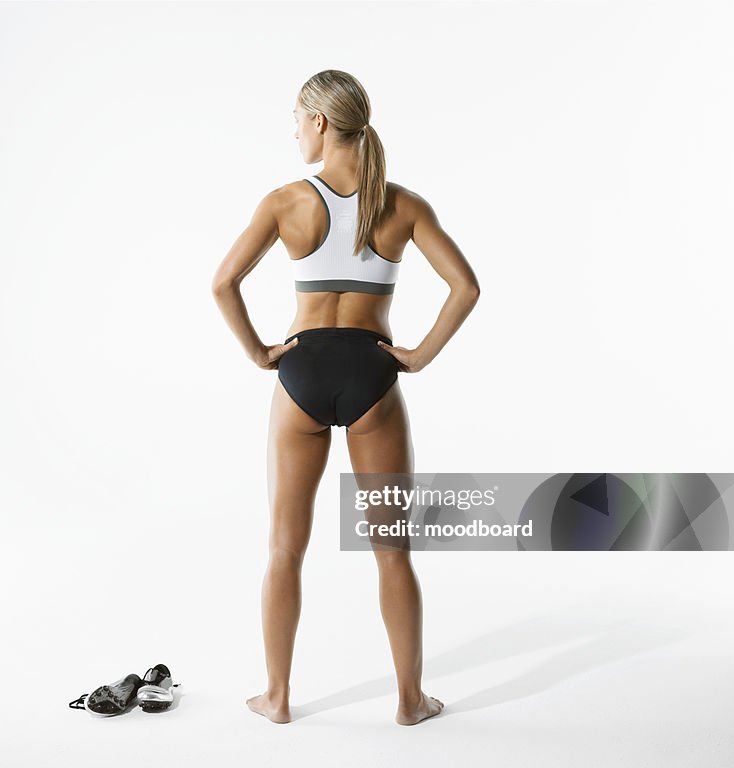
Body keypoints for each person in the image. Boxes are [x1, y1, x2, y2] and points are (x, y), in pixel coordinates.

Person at [211, 69, 480, 726]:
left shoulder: (284, 202)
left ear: (321, 123)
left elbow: (223, 283)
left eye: (297, 119)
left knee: (284, 547)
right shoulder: (403, 205)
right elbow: (465, 287)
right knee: (392, 551)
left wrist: (259, 353)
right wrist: (415, 355)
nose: (295, 131)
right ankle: (410, 701)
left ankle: (276, 698)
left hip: (299, 376)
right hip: (372, 377)